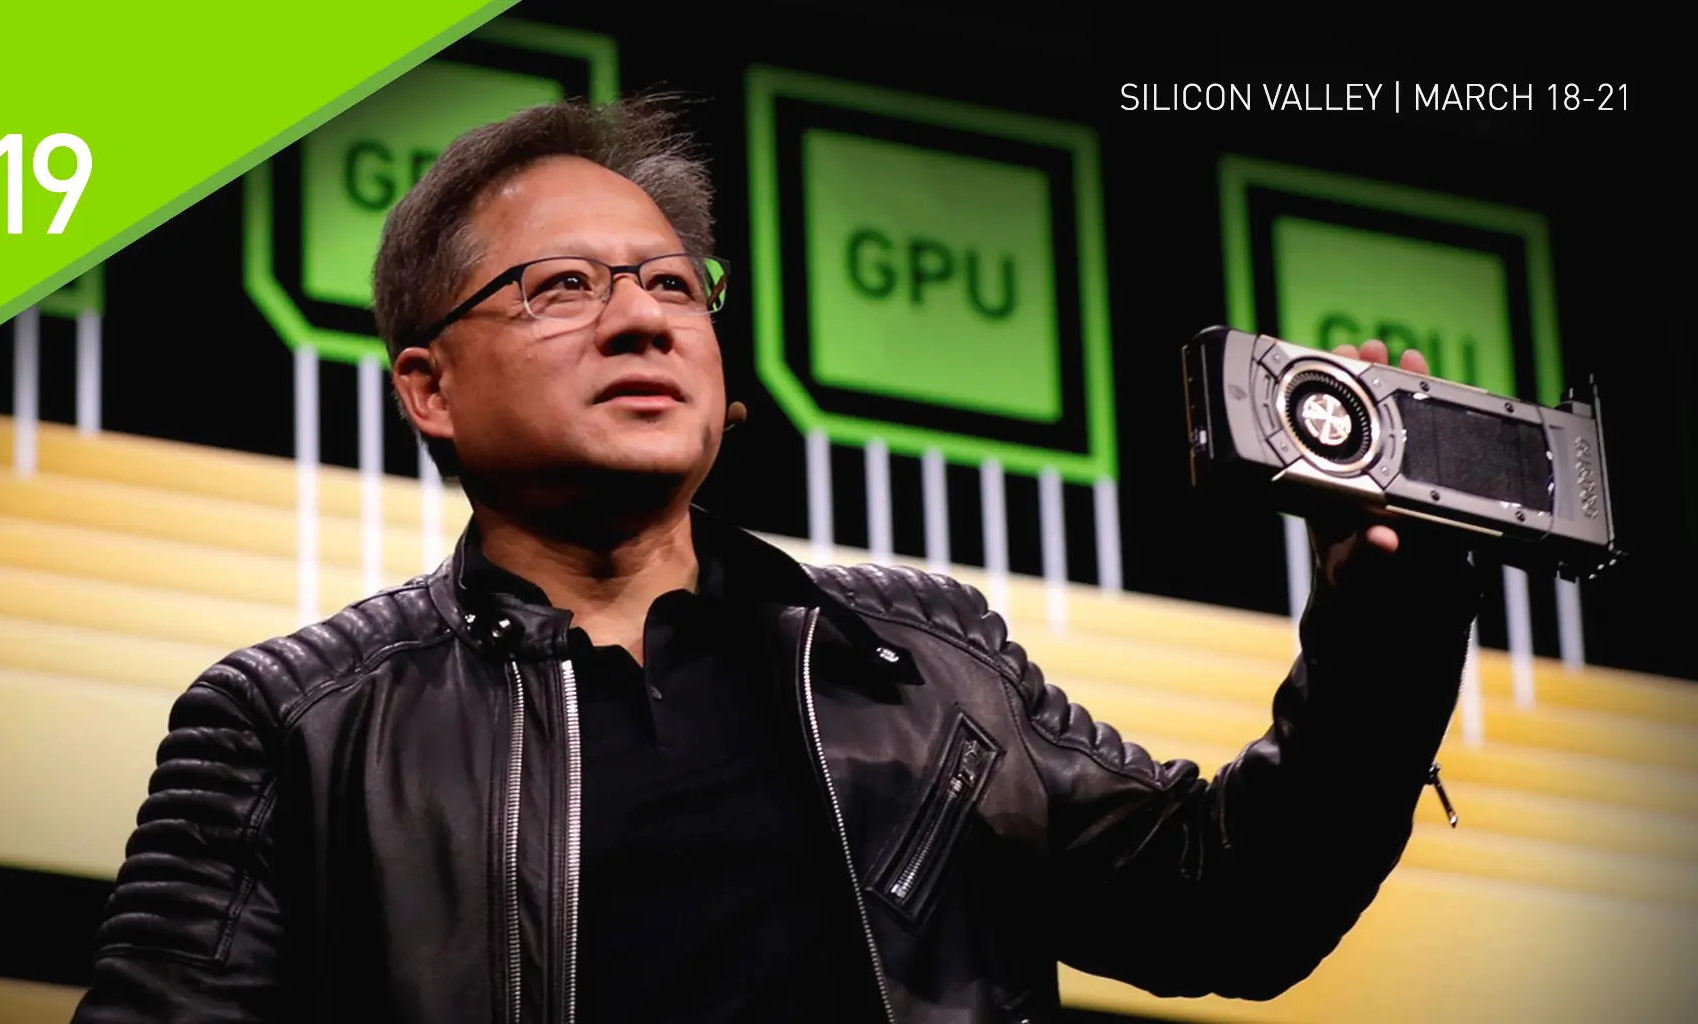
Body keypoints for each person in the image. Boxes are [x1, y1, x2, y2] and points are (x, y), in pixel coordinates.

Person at [72, 94, 1484, 1023]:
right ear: (427, 388)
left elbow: (1232, 908)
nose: (642, 319)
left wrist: (1389, 619)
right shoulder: (292, 727)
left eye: (670, 285)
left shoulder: (926, 662)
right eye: (561, 287)